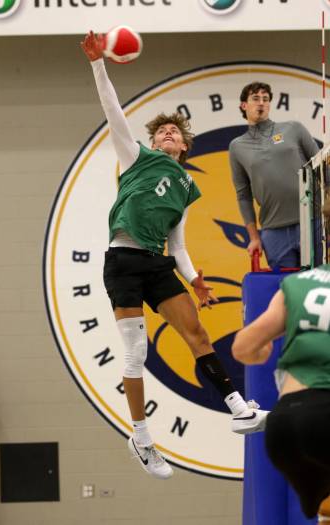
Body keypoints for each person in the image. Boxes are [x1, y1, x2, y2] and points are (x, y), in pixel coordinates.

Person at [80, 31, 268, 480]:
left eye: (174, 132)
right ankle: (142, 436)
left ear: (184, 146)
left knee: (197, 333)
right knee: (135, 352)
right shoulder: (135, 157)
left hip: (157, 263)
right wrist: (97, 64)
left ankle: (239, 409)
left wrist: (194, 278)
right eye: (162, 130)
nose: (167, 132)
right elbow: (112, 110)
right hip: (122, 260)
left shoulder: (186, 186)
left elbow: (177, 243)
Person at [232, 197, 330, 523]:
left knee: (323, 507)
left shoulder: (297, 284)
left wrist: (261, 353)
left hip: (286, 428)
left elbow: (243, 347)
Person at [229, 81, 319, 269]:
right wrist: (254, 237)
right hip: (273, 231)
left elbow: (322, 168)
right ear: (244, 105)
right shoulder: (237, 146)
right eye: (255, 98)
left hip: (312, 222)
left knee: (318, 285)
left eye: (265, 99)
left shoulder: (294, 128)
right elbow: (243, 195)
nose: (261, 103)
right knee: (286, 291)